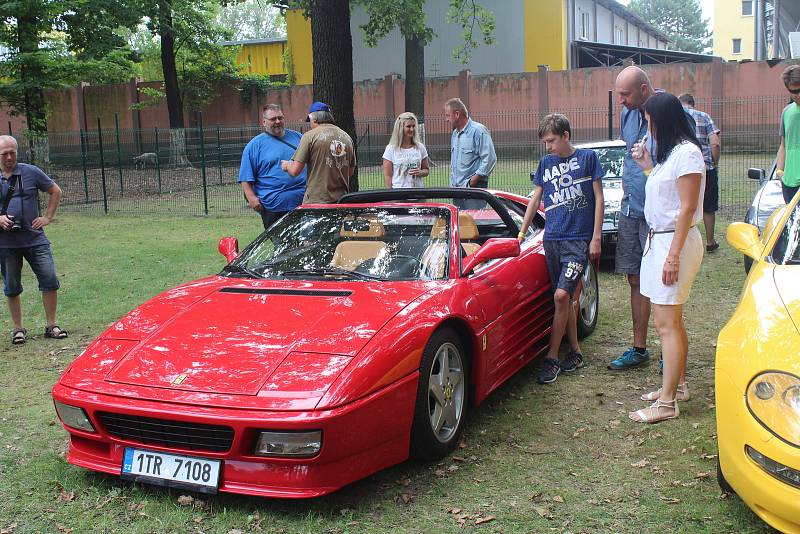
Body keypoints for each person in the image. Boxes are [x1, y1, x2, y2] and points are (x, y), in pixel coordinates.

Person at [627, 92, 705, 423]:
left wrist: (672, 256)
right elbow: (667, 199)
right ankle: (678, 385)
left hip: (674, 243)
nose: (647, 128)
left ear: (662, 119)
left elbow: (686, 208)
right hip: (661, 242)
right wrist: (647, 168)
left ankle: (667, 403)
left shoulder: (687, 154)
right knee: (672, 322)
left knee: (666, 324)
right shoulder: (671, 155)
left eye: (648, 121)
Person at [518, 114, 604, 385]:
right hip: (552, 238)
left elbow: (599, 198)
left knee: (560, 295)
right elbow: (535, 198)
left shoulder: (588, 159)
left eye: (551, 141)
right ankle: (576, 353)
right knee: (564, 301)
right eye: (545, 142)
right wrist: (522, 232)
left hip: (578, 239)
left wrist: (596, 237)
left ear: (566, 135)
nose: (548, 147)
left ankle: (552, 357)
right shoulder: (546, 163)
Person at [606, 66, 656, 371]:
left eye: (625, 94)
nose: (620, 100)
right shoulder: (627, 114)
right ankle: (639, 349)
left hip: (656, 215)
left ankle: (669, 350)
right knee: (634, 278)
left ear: (643, 90)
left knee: (663, 283)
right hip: (629, 210)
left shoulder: (664, 112)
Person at [0, 135, 66, 345]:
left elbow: (55, 190)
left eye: (13, 152)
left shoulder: (30, 171)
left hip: (35, 239)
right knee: (11, 286)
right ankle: (18, 329)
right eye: (4, 154)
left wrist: (47, 217)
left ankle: (52, 325)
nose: (9, 157)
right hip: (6, 243)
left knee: (49, 280)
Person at [238, 104, 307, 230]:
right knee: (282, 247)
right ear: (264, 122)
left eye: (280, 118)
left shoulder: (299, 138)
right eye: (273, 119)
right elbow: (245, 178)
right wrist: (252, 199)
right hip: (274, 207)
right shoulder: (254, 146)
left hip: (304, 203)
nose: (277, 122)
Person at [281, 102, 356, 204]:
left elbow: (295, 171)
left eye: (310, 121)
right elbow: (350, 172)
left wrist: (286, 166)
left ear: (314, 118)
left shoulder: (309, 136)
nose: (310, 125)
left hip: (316, 201)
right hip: (341, 200)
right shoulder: (346, 137)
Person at [678, 93, 721, 252]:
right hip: (706, 168)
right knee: (709, 206)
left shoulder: (676, 117)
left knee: (685, 205)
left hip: (683, 169)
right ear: (692, 103)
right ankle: (710, 241)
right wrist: (714, 163)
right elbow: (715, 143)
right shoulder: (704, 117)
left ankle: (683, 240)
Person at [444, 97, 496, 190]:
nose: (446, 119)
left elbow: (490, 159)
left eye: (448, 115)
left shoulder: (479, 131)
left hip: (474, 190)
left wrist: (473, 181)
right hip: (457, 190)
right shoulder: (455, 134)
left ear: (457, 114)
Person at [382, 112, 430, 188]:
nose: (412, 129)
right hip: (399, 196)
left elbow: (426, 170)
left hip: (418, 195)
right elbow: (387, 176)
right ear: (400, 128)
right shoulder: (391, 149)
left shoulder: (420, 147)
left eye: (414, 126)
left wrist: (420, 172)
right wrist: (390, 197)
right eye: (408, 126)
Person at [776, 64, 800, 204]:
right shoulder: (787, 112)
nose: (799, 95)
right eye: (794, 91)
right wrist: (780, 171)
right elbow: (784, 145)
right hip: (789, 183)